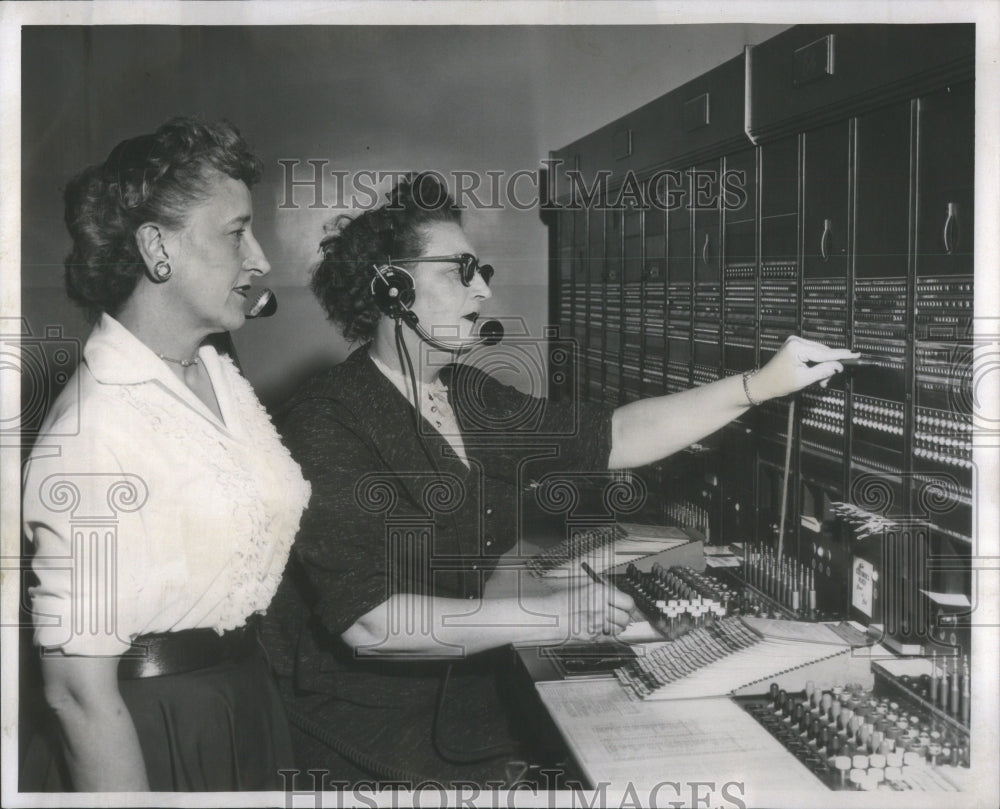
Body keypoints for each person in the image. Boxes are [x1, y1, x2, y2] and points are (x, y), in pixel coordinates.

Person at [261, 173, 857, 788]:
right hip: (371, 732)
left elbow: (615, 437)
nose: (482, 290)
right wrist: (554, 617)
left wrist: (761, 385)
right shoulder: (328, 419)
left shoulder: (465, 394)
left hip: (464, 704)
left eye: (480, 270)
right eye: (457, 271)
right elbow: (373, 622)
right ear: (391, 288)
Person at [20, 117, 311, 791]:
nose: (260, 257)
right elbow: (76, 694)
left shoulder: (213, 368)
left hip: (245, 703)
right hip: (154, 731)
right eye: (236, 232)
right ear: (157, 246)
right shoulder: (92, 431)